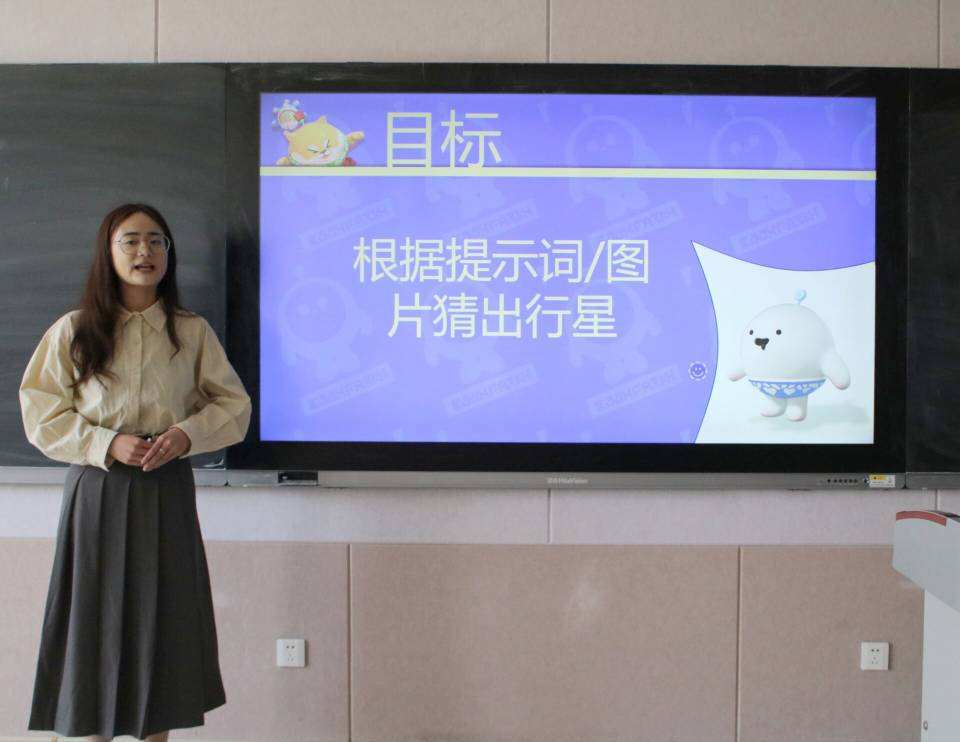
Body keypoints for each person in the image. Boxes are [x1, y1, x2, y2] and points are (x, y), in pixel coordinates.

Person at [19, 203, 252, 742]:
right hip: (98, 488)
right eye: (130, 240)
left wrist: (186, 434)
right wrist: (106, 443)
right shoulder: (75, 329)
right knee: (92, 622)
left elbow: (233, 405)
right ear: (108, 252)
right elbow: (40, 413)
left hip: (166, 487)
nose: (144, 251)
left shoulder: (190, 332)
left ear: (169, 254)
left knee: (163, 622)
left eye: (156, 241)